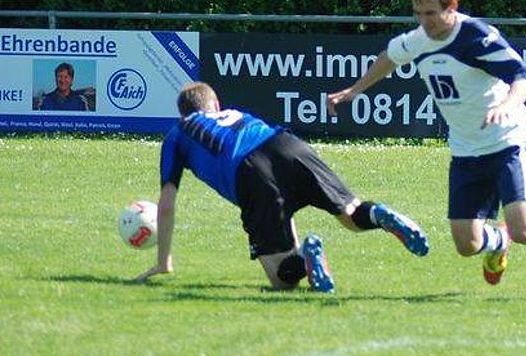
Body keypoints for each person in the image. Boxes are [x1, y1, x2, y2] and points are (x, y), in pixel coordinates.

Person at [327, 0, 526, 285]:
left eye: (430, 14)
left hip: (507, 140)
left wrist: (505, 106)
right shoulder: (418, 39)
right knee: (466, 245)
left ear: (451, 8)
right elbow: (389, 56)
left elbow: (524, 79)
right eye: (417, 14)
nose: (423, 21)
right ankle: (498, 242)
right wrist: (355, 89)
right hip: (467, 149)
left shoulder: (477, 37)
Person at [134, 81, 429, 293]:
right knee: (351, 215)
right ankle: (378, 215)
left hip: (247, 170)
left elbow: (168, 202)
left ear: (182, 112)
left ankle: (303, 259)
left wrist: (164, 261)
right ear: (215, 106)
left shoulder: (178, 134)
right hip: (286, 144)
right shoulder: (235, 113)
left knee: (281, 280)